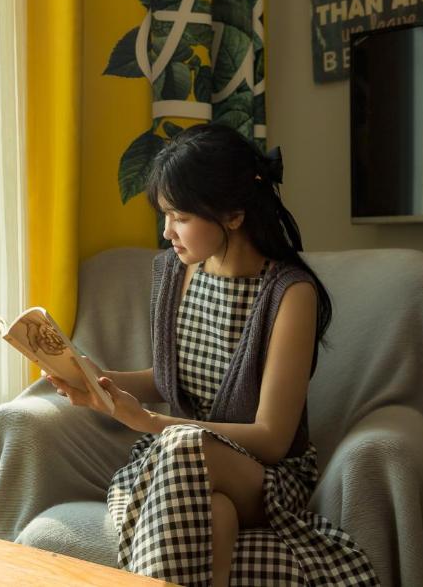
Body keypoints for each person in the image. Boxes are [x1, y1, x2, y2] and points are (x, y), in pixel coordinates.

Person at [46, 124, 380, 586]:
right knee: (213, 513)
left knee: (182, 447)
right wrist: (98, 377)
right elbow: (172, 380)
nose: (167, 233)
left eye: (180, 216)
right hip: (183, 465)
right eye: (165, 215)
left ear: (234, 214)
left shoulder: (289, 293)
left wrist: (150, 423)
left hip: (263, 474)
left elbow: (271, 438)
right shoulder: (173, 273)